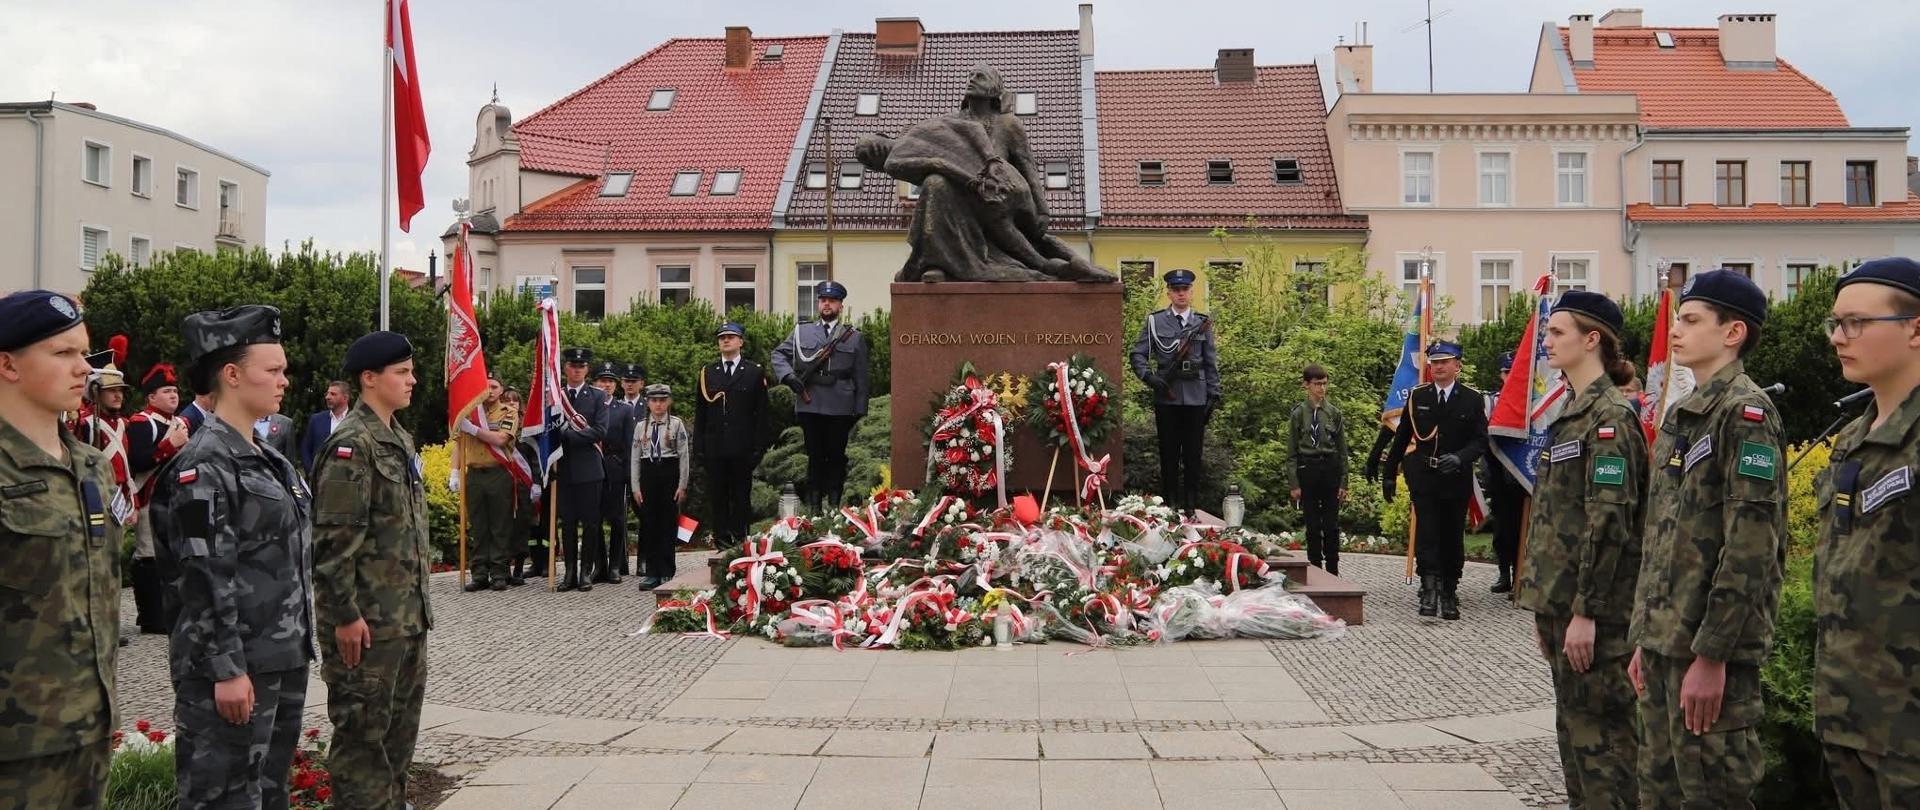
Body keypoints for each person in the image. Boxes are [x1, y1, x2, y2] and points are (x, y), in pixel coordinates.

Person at [1628, 269, 1785, 808]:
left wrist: (1714, 654)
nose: (1676, 330)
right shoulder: (1683, 414)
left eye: (1692, 320)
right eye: (1678, 319)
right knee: (1659, 792)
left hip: (1708, 650)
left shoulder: (1746, 415)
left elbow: (1750, 546)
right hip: (1665, 643)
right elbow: (1662, 533)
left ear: (1732, 332)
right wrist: (1646, 636)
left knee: (1711, 794)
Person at [149, 304, 315, 808]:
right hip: (233, 668)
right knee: (224, 798)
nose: (284, 380)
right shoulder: (204, 464)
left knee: (269, 794)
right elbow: (203, 575)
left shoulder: (268, 456)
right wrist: (225, 669)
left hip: (279, 657)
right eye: (273, 370)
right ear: (232, 375)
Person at [1515, 291, 1647, 809]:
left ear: (1592, 340)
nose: (1546, 341)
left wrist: (1586, 611)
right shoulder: (1573, 412)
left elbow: (1608, 522)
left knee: (1604, 746)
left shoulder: (1609, 418)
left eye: (1557, 332)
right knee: (1575, 737)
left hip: (1596, 614)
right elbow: (1557, 518)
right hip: (1563, 606)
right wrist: (1547, 604)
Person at [0, 290, 120, 809]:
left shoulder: (92, 466)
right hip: (14, 746)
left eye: (84, 353)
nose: (84, 369)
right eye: (62, 353)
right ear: (8, 365)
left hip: (89, 728)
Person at [311, 331, 434, 809]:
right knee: (363, 748)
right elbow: (332, 544)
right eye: (401, 372)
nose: (412, 380)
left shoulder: (397, 437)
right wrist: (344, 615)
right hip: (366, 627)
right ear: (369, 379)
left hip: (405, 620)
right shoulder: (351, 445)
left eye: (411, 371)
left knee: (397, 748)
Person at [1813, 256, 1920, 807]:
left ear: (1915, 329)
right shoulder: (1854, 437)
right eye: (1836, 323)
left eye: (1856, 322)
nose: (1838, 337)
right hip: (1850, 715)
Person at [1382, 340, 1486, 620]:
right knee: (1427, 535)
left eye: (1444, 362)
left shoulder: (1472, 399)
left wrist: (1461, 458)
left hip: (1455, 478)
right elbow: (1403, 436)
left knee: (1452, 536)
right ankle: (1429, 589)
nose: (1438, 367)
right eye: (1434, 362)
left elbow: (1480, 441)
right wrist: (1389, 473)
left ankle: (1449, 591)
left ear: (1457, 365)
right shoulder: (1419, 396)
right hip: (1425, 476)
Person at [773, 280, 871, 514]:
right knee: (815, 456)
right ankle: (814, 508)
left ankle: (835, 507)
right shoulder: (802, 331)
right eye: (823, 300)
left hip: (840, 404)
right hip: (811, 402)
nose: (827, 304)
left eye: (832, 301)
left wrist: (860, 408)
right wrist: (788, 377)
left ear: (841, 306)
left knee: (836, 457)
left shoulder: (853, 337)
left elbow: (861, 375)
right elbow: (778, 354)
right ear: (818, 304)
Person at [1129, 268, 1220, 516]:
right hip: (1166, 397)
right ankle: (1169, 505)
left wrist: (1213, 394)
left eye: (1185, 289)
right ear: (1169, 293)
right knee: (1168, 453)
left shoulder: (1202, 323)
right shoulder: (1155, 321)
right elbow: (1138, 354)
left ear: (1191, 292)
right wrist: (1149, 377)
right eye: (1176, 290)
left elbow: (1210, 361)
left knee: (1193, 455)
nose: (1181, 294)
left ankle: (1190, 506)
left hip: (1196, 398)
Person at [694, 322, 771, 547]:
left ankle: (739, 541)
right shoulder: (708, 373)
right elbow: (701, 413)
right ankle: (721, 541)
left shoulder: (753, 372)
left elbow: (761, 414)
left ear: (741, 342)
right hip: (715, 447)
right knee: (717, 497)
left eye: (730, 337)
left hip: (742, 447)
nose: (726, 340)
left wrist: (758, 447)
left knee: (740, 496)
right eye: (722, 337)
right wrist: (699, 447)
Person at [126, 361, 189, 634]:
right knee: (149, 554)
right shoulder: (142, 423)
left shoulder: (181, 422)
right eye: (166, 391)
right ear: (151, 397)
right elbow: (138, 461)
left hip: (178, 497)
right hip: (150, 497)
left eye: (174, 390)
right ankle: (151, 616)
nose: (173, 395)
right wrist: (169, 445)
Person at [552, 347, 609, 591]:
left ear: (587, 369)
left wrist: (568, 436)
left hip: (589, 470)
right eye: (573, 365)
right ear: (565, 368)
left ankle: (586, 572)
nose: (577, 370)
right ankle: (569, 573)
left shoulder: (597, 396)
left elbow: (600, 431)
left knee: (590, 523)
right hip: (563, 469)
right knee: (567, 524)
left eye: (581, 366)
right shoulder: (556, 396)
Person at [457, 374, 520, 592]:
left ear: (501, 390)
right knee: (478, 526)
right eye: (486, 386)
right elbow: (458, 444)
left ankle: (499, 573)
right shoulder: (469, 412)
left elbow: (501, 439)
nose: (490, 390)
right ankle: (479, 574)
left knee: (499, 526)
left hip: (498, 473)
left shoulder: (508, 412)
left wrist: (473, 429)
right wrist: (454, 472)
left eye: (494, 386)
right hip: (474, 474)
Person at [1287, 364, 1348, 575]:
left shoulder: (1334, 413)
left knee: (1331, 524)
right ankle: (1315, 569)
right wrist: (1294, 483)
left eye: (1324, 383)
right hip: (1308, 468)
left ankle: (1332, 570)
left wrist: (1344, 481)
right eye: (1317, 384)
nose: (1321, 388)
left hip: (1329, 467)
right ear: (1306, 385)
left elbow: (1342, 450)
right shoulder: (1298, 414)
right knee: (1312, 524)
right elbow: (1292, 451)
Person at [631, 383, 691, 590]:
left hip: (669, 473)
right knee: (649, 524)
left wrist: (682, 485)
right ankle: (651, 572)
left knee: (667, 523)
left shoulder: (676, 424)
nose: (658, 404)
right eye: (654, 400)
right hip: (648, 474)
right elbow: (635, 458)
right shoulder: (641, 426)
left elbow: (684, 456)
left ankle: (666, 570)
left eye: (662, 400)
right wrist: (635, 487)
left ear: (669, 402)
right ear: (647, 403)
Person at [1484, 351, 1528, 594]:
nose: (1510, 376)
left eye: (1514, 371)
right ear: (1501, 375)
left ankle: (1522, 575)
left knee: (1525, 526)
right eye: (1506, 372)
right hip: (1499, 474)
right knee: (1503, 527)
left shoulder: (1533, 402)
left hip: (1526, 476)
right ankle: (1504, 573)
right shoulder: (1492, 402)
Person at [594, 361, 633, 584]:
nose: (606, 385)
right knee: (594, 518)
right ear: (595, 383)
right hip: (593, 467)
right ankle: (599, 565)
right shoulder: (588, 407)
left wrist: (628, 473)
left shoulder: (624, 410)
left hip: (615, 466)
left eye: (610, 381)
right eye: (602, 380)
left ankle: (615, 566)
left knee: (617, 519)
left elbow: (629, 444)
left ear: (616, 385)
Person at [616, 363, 646, 577]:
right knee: (618, 515)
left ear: (641, 384)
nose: (629, 385)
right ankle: (620, 561)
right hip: (619, 466)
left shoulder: (648, 406)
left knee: (644, 515)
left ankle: (643, 560)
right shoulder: (614, 406)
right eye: (626, 381)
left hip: (642, 469)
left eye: (634, 381)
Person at [300, 380, 352, 471]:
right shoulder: (316, 420)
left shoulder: (356, 420)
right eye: (327, 394)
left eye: (333, 394)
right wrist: (311, 472)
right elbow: (306, 449)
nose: (327, 397)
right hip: (318, 476)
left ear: (345, 398)